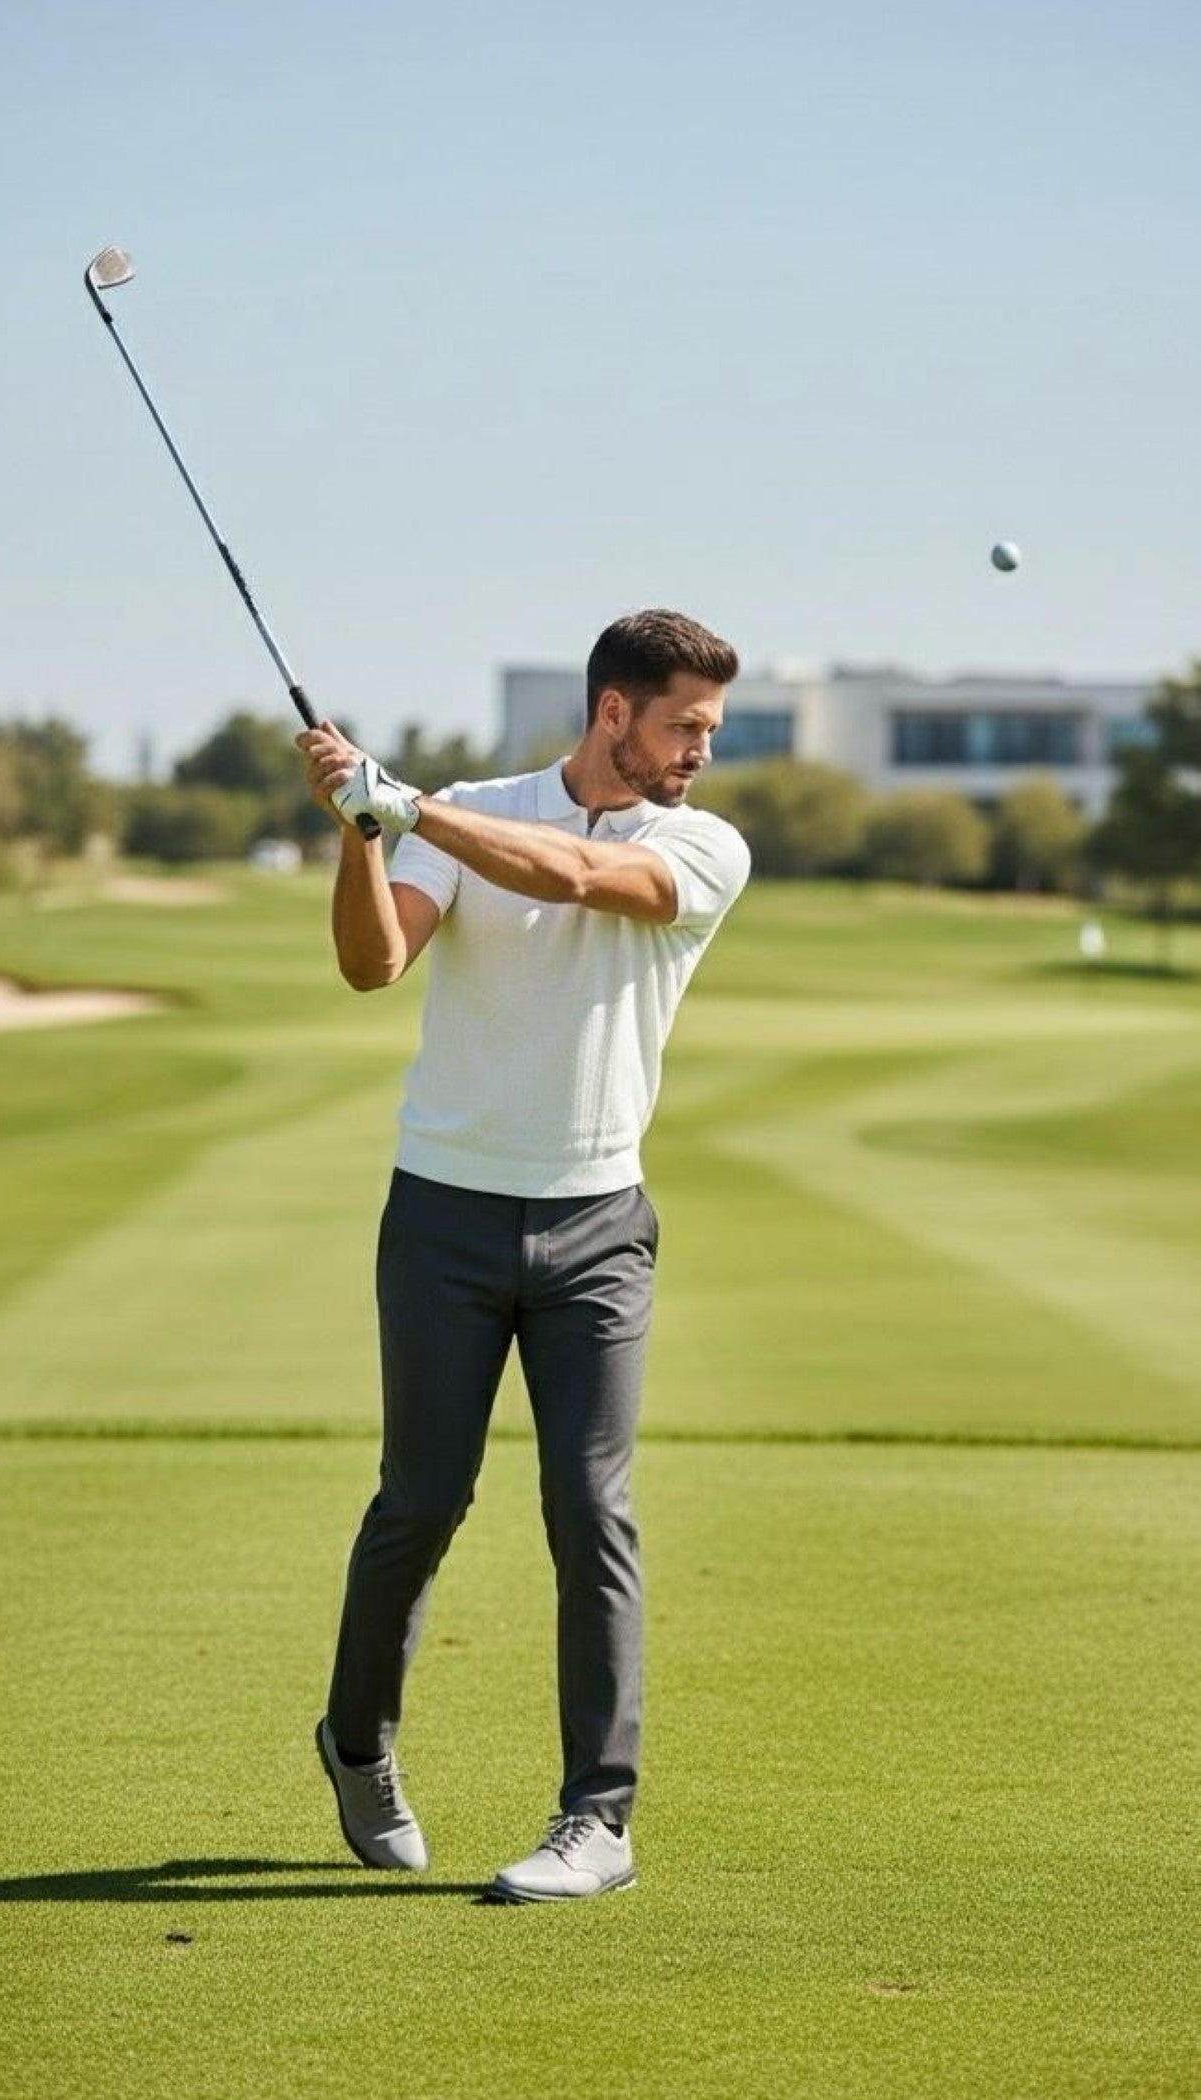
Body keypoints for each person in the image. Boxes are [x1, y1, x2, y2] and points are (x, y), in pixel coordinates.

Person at [297, 608, 750, 1902]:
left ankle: (596, 1822)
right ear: (615, 710)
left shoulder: (701, 845)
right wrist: (363, 833)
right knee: (420, 1503)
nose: (699, 752)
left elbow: (580, 882)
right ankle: (359, 1744)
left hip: (599, 1222)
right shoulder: (468, 810)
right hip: (443, 1209)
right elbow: (371, 964)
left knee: (590, 1507)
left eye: (707, 730)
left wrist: (411, 809)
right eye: (684, 726)